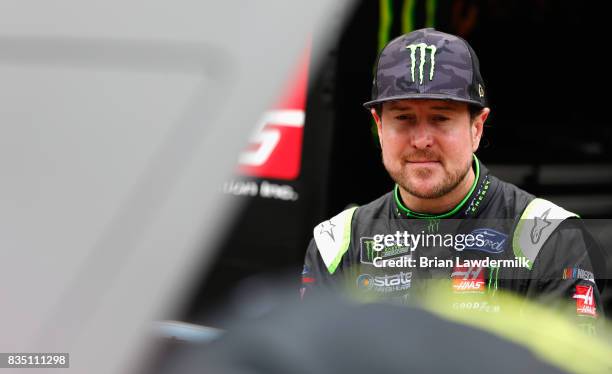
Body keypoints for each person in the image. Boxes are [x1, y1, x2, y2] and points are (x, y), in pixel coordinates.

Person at [301, 28, 605, 328]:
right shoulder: (338, 242)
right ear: (379, 127)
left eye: (440, 117)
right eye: (403, 118)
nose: (421, 140)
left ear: (477, 127)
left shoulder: (551, 236)